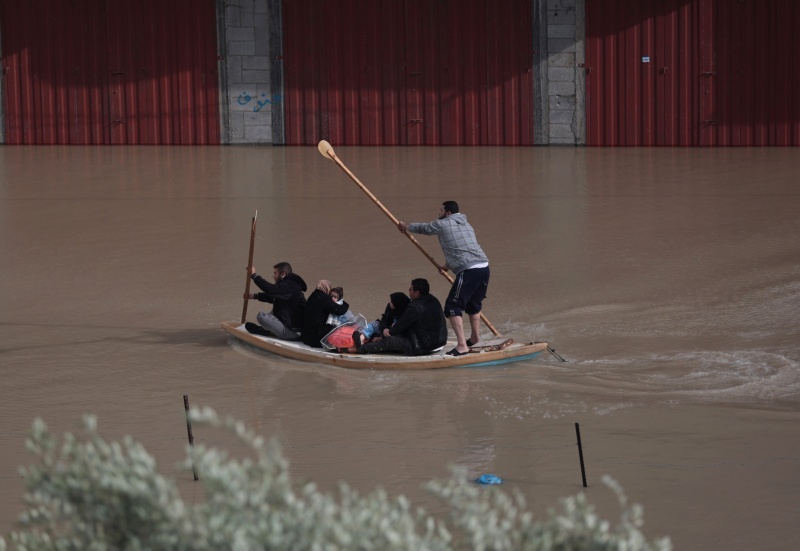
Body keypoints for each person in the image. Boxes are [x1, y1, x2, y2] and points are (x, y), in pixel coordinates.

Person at [399, 201, 489, 356]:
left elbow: (426, 228)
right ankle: (475, 339)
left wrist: (406, 226)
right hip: (484, 267)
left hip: (469, 270)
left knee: (452, 307)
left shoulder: (443, 223)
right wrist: (447, 265)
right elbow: (461, 248)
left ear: (448, 213)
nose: (438, 212)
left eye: (441, 210)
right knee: (473, 305)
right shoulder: (467, 225)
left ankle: (462, 346)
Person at [356, 278, 447, 356]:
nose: (409, 291)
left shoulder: (414, 307)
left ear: (417, 293)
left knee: (390, 341)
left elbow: (397, 328)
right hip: (440, 342)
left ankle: (359, 349)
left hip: (424, 346)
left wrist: (387, 333)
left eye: (411, 289)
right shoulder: (434, 300)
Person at [243, 262, 307, 340]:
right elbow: (273, 297)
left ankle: (266, 330)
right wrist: (254, 296)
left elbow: (271, 289)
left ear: (283, 274)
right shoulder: (291, 284)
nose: (273, 276)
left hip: (292, 333)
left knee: (261, 316)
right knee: (277, 303)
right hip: (290, 326)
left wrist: (254, 275)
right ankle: (266, 330)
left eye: (275, 273)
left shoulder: (289, 285)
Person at [302, 280, 351, 348]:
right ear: (327, 288)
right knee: (338, 328)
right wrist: (344, 303)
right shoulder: (324, 298)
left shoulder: (313, 295)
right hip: (315, 339)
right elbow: (339, 310)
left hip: (305, 336)